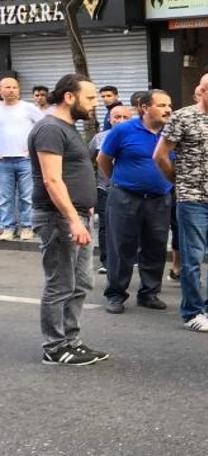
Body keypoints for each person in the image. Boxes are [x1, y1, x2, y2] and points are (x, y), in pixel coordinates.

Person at [28, 73, 109, 365]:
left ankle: (71, 341)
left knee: (81, 283)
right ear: (69, 97)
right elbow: (52, 180)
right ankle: (54, 346)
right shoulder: (50, 129)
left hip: (77, 216)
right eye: (89, 98)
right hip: (58, 219)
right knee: (60, 283)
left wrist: (84, 211)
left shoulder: (67, 127)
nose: (94, 104)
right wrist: (73, 219)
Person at [153, 72, 208, 333]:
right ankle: (192, 312)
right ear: (203, 91)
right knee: (192, 259)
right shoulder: (183, 117)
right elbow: (160, 155)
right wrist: (178, 182)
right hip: (194, 200)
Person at [98, 90, 174, 314]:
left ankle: (149, 293)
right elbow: (103, 159)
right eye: (161, 105)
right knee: (121, 247)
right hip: (125, 197)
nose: (168, 109)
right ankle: (115, 295)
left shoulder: (172, 132)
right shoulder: (123, 130)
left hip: (160, 199)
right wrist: (118, 181)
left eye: (169, 105)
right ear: (144, 107)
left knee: (156, 246)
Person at [87, 105, 133, 274]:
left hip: (130, 190)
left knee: (130, 225)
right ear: (109, 119)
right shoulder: (99, 138)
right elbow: (88, 159)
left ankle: (129, 258)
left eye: (125, 117)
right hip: (105, 188)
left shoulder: (136, 136)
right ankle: (107, 261)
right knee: (106, 226)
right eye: (116, 117)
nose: (120, 121)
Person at [0, 77, 44, 241]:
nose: (11, 90)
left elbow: (43, 127)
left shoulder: (28, 108)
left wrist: (33, 149)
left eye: (14, 87)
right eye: (7, 87)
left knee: (27, 196)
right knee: (5, 197)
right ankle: (8, 228)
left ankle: (27, 227)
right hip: (3, 161)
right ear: (0, 90)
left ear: (19, 90)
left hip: (25, 160)